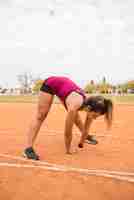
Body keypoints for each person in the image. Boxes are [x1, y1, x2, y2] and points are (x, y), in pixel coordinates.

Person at [23, 76, 113, 160]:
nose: (94, 118)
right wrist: (68, 149)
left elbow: (86, 128)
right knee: (41, 115)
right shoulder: (74, 106)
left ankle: (87, 138)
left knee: (76, 118)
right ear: (89, 109)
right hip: (51, 84)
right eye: (94, 116)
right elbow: (67, 131)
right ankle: (28, 149)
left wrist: (82, 141)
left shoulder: (90, 106)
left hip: (65, 89)